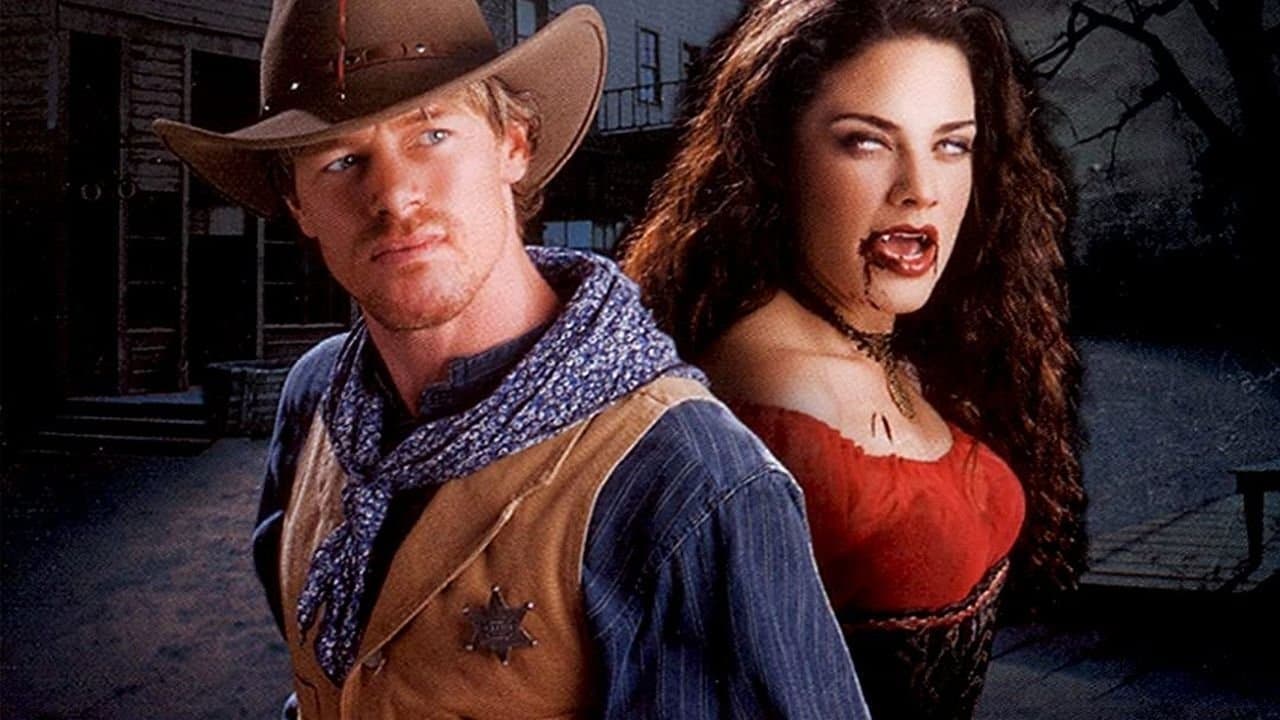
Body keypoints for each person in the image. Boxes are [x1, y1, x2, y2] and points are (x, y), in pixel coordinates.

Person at [155, 0, 869, 717]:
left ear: (513, 144)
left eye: (432, 133)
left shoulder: (687, 477)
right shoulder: (319, 401)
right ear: (297, 204)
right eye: (341, 160)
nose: (394, 197)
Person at [623, 0, 1087, 717]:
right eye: (867, 142)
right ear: (775, 157)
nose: (920, 190)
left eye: (951, 145)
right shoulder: (775, 394)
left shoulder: (898, 344)